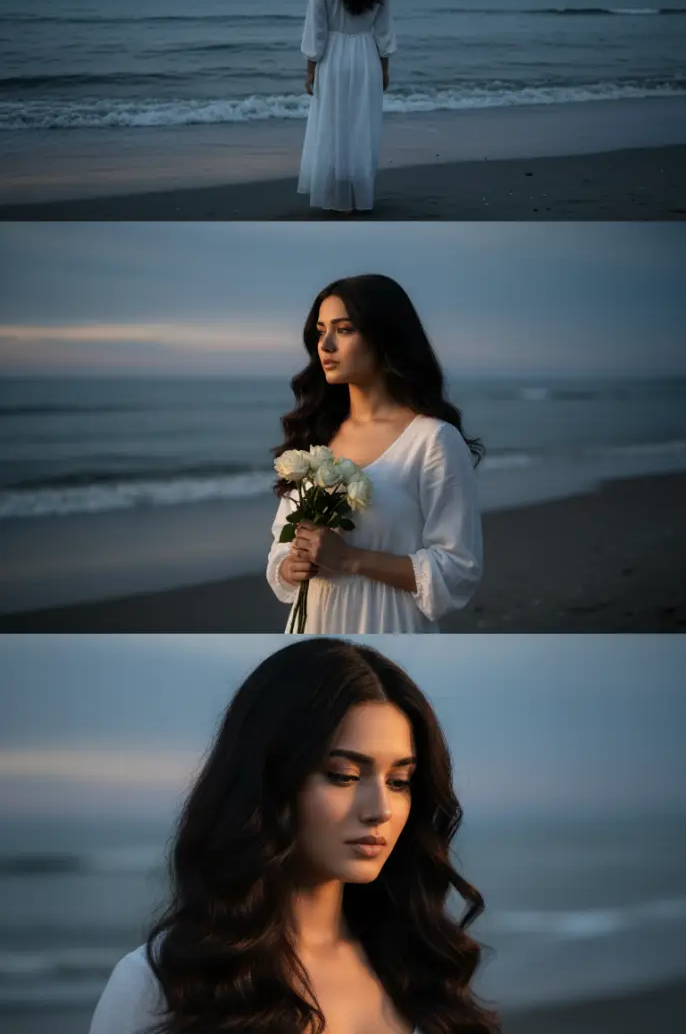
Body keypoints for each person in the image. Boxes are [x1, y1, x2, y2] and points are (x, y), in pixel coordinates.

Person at [88, 639, 499, 1033]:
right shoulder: (157, 985)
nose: (380, 810)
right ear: (270, 777)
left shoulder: (424, 970)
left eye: (399, 781)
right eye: (344, 776)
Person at [266, 274, 484, 634]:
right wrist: (291, 565)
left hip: (389, 624)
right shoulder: (316, 438)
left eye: (344, 329)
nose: (326, 345)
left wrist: (350, 559)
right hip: (312, 626)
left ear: (385, 336)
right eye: (321, 331)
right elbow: (280, 545)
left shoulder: (432, 441)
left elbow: (458, 569)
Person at [298, 0, 397, 214]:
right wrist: (384, 68)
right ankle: (358, 196)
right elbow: (384, 28)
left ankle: (333, 197)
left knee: (332, 125)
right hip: (366, 55)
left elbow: (316, 28)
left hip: (334, 58)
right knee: (360, 126)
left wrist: (311, 68)